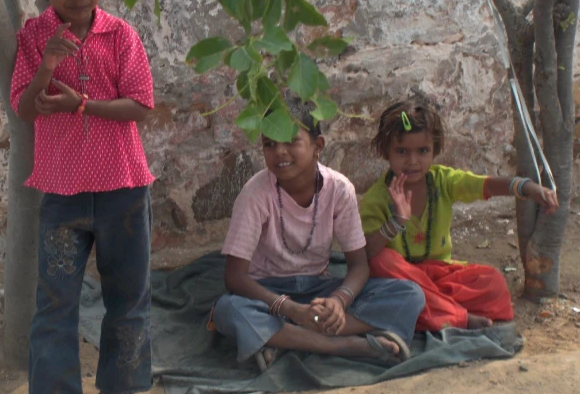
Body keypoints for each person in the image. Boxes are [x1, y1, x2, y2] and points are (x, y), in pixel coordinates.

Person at [9, 0, 155, 394]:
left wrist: (83, 105)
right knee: (54, 302)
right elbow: (26, 109)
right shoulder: (33, 37)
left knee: (126, 292)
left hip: (123, 186)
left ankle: (118, 386)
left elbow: (140, 105)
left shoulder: (121, 35)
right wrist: (48, 64)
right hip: (63, 192)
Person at [212, 98, 425, 371]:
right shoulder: (256, 194)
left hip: (320, 291)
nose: (279, 152)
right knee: (227, 310)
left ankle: (289, 337)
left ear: (318, 146)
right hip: (267, 292)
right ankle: (344, 344)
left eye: (291, 141)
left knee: (410, 295)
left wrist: (339, 301)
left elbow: (359, 265)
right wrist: (290, 310)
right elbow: (234, 277)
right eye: (269, 144)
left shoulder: (339, 189)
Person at [360, 99, 559, 332]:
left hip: (440, 277)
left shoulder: (442, 181)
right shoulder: (376, 198)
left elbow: (484, 186)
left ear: (434, 150)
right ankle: (459, 318)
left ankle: (434, 313)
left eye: (422, 151)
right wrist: (396, 222)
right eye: (402, 151)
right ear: (386, 152)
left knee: (492, 283)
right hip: (400, 282)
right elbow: (367, 254)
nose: (413, 161)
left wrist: (525, 187)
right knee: (383, 262)